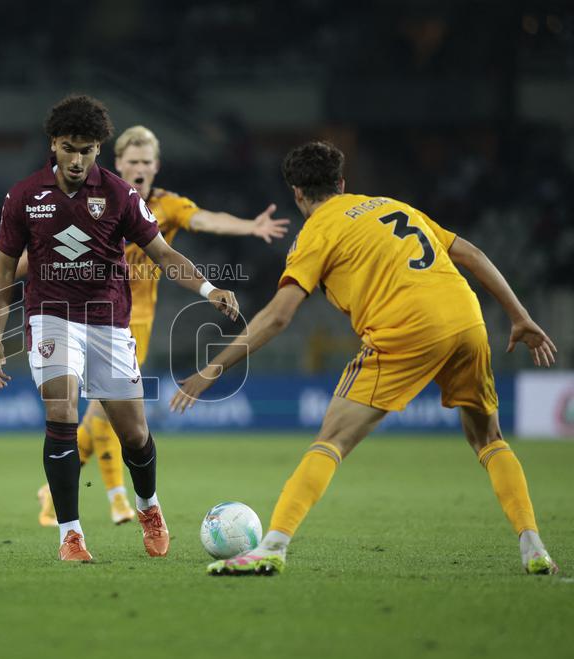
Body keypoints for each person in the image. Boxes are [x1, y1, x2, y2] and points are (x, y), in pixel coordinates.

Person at [172, 140, 560, 576]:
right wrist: (519, 316)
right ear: (342, 182)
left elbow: (278, 317)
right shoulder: (391, 205)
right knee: (489, 440)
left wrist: (212, 368)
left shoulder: (316, 233)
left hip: (405, 329)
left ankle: (273, 546)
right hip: (467, 320)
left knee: (331, 440)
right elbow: (471, 252)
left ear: (297, 193)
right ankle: (533, 545)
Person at [0, 95, 239, 561]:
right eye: (68, 148)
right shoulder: (24, 196)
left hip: (108, 322)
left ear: (99, 148)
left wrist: (209, 290)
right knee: (60, 413)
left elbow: (163, 254)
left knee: (135, 436)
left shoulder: (122, 195)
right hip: (51, 317)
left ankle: (148, 507)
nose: (77, 160)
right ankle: (71, 534)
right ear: (53, 144)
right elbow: (4, 271)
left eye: (86, 149)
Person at [34, 125, 289, 527]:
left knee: (98, 414)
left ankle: (53, 491)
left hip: (137, 320)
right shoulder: (95, 199)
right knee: (99, 410)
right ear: (118, 162)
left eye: (146, 162)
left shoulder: (165, 206)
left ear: (156, 166)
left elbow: (205, 220)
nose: (138, 168)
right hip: (86, 313)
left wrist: (249, 227)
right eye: (131, 161)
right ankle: (118, 501)